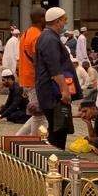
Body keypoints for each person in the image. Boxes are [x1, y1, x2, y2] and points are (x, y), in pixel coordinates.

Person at [35, 8, 79, 149]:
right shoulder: (49, 38)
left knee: (58, 129)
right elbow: (54, 68)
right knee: (58, 130)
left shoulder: (49, 37)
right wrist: (64, 90)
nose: (64, 24)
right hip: (53, 92)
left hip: (51, 90)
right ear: (57, 21)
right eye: (64, 21)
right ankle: (54, 164)